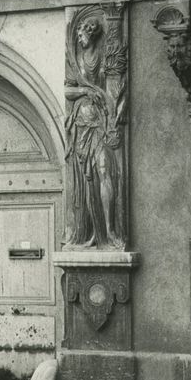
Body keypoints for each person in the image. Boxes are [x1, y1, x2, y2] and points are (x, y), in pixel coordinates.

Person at [65, 16, 124, 249]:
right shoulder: (76, 59)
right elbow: (67, 90)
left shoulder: (100, 58)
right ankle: (91, 231)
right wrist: (83, 90)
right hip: (81, 123)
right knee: (86, 179)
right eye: (77, 35)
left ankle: (110, 230)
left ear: (91, 34)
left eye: (82, 35)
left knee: (103, 170)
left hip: (100, 120)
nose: (80, 38)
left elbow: (113, 85)